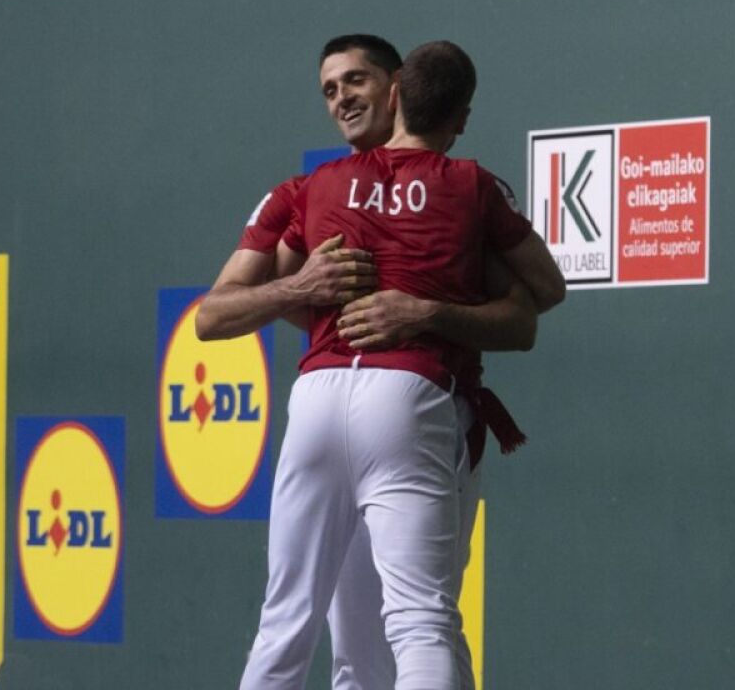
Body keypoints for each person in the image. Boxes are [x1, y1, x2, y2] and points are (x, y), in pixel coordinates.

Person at [198, 35, 544, 690]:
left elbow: (525, 313)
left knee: (332, 626)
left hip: (367, 407)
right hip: (397, 409)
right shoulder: (312, 191)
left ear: (398, 89)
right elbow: (213, 315)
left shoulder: (452, 189)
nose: (341, 100)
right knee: (404, 626)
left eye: (355, 81)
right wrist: (302, 288)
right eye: (329, 90)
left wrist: (425, 311)